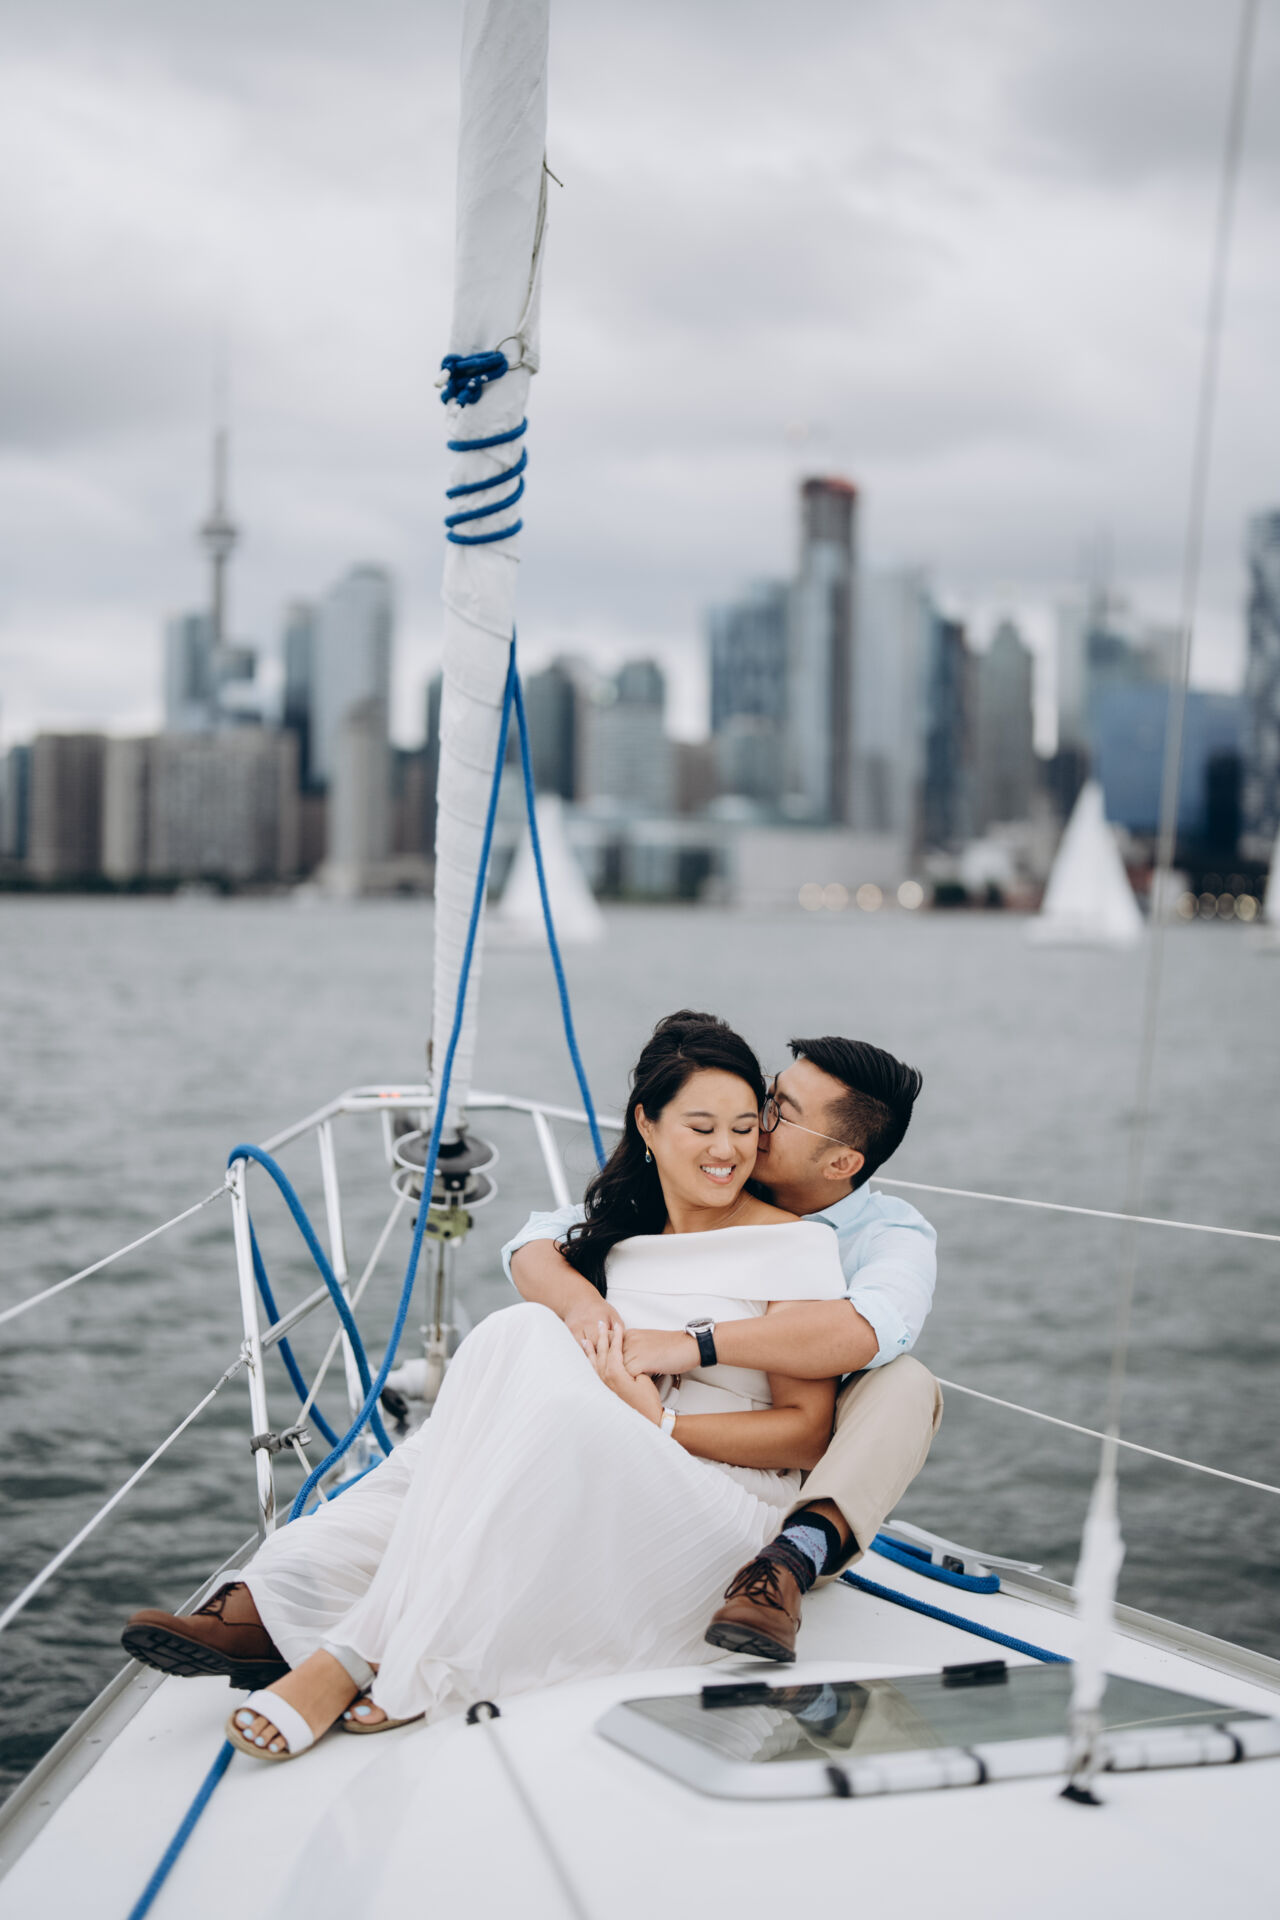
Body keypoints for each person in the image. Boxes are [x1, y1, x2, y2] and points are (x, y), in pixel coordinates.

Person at [122, 1011, 847, 1762]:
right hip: (593, 1456)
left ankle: (359, 1655)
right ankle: (277, 1601)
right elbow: (532, 1253)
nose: (727, 1150)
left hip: (712, 1500)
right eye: (701, 1127)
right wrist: (583, 1310)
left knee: (507, 1395)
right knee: (473, 1415)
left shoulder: (793, 1247)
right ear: (648, 1125)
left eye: (744, 1128)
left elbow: (806, 1434)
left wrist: (662, 1427)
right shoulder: (621, 1237)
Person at [507, 1032, 941, 1662]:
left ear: (841, 1163)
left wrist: (693, 1346)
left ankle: (791, 1559)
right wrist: (585, 1307)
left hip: (805, 1450)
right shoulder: (718, 1180)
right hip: (660, 1412)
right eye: (767, 1098)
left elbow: (864, 1331)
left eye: (778, 1114)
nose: (753, 1125)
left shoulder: (889, 1234)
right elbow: (537, 1241)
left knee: (908, 1383)